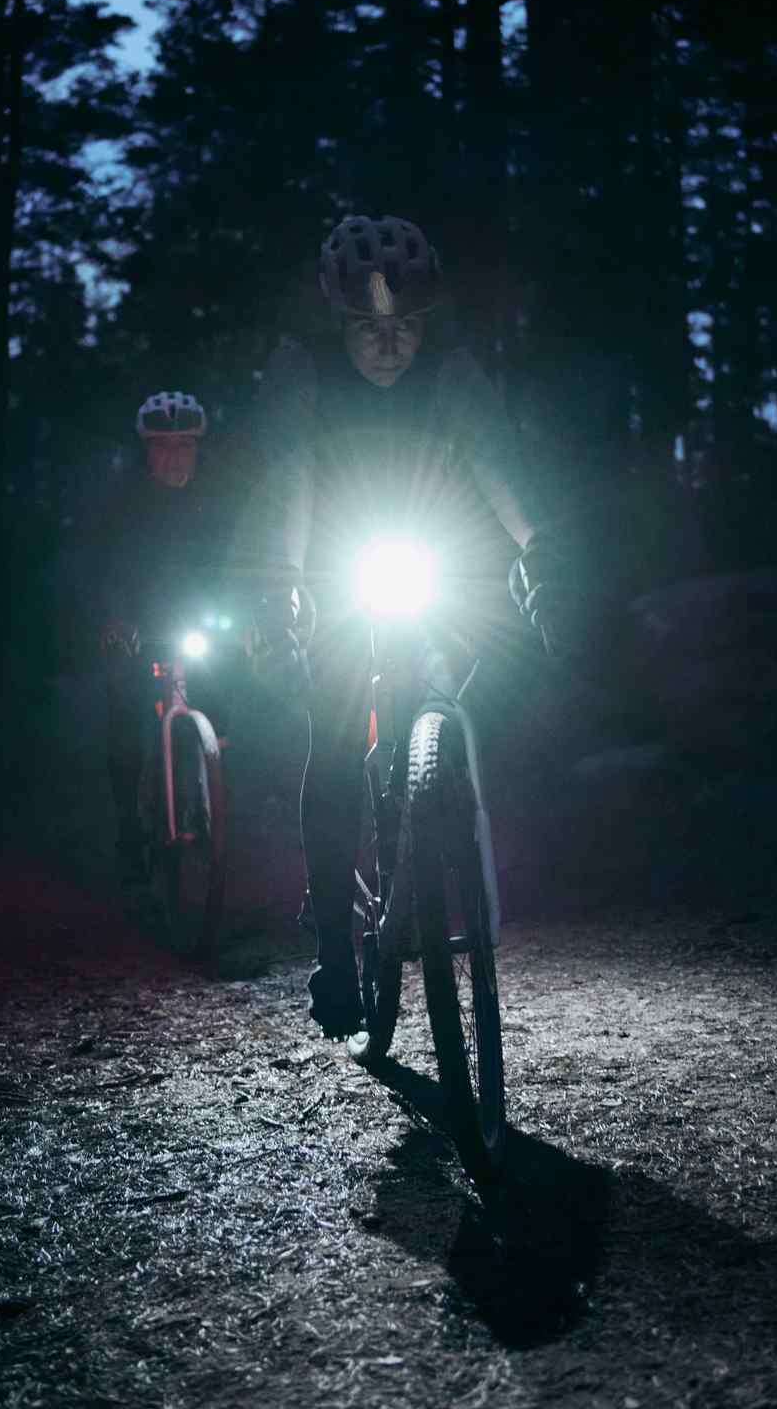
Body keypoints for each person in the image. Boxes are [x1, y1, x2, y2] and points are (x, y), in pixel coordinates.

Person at [250, 214, 576, 1038]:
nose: (390, 345)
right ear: (338, 323)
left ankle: (432, 824)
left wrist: (541, 554)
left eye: (407, 327)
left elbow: (502, 466)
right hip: (334, 560)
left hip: (435, 547)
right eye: (368, 327)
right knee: (333, 743)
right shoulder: (302, 373)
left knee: (464, 682)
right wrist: (280, 590)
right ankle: (333, 943)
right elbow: (284, 484)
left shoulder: (454, 373)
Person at [88, 391, 232, 882]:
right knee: (125, 709)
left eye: (185, 445)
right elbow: (102, 566)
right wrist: (113, 618)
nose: (175, 457)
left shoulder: (215, 500)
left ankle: (211, 784)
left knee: (223, 686)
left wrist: (247, 614)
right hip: (137, 625)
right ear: (147, 451)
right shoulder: (123, 503)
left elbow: (235, 562)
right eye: (163, 446)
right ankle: (129, 827)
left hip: (194, 620)